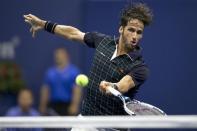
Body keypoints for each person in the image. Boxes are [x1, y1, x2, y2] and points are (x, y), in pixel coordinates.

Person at [24, 3, 153, 116]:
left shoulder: (140, 67)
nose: (135, 36)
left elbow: (124, 85)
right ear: (121, 29)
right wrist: (43, 24)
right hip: (87, 119)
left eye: (139, 32)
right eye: (131, 30)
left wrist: (113, 86)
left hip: (114, 126)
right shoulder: (103, 41)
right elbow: (72, 34)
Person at [39, 48, 81, 116]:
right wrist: (43, 105)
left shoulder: (74, 71)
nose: (58, 56)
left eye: (60, 54)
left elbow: (77, 90)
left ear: (66, 56)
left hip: (68, 105)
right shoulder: (50, 72)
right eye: (56, 54)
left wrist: (74, 105)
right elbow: (45, 90)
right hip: (53, 105)